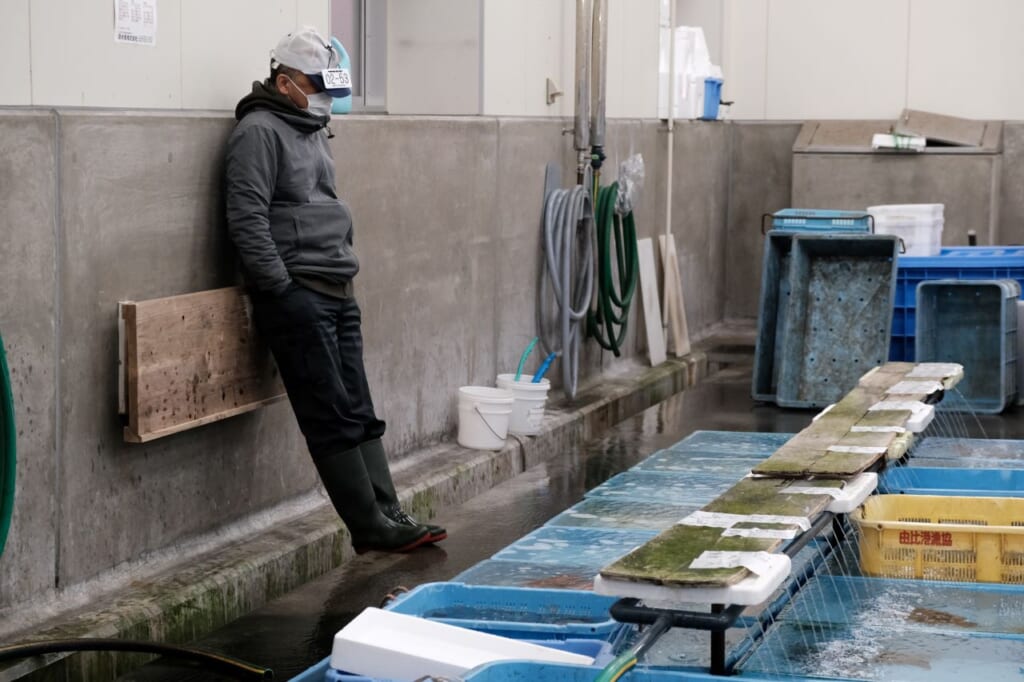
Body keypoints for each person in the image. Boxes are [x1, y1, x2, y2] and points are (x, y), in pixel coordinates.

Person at [224, 27, 445, 554]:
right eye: (314, 84)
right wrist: (280, 288)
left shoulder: (313, 127)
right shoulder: (259, 132)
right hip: (298, 291)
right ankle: (368, 526)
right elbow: (247, 218)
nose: (324, 96)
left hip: (337, 285)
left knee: (358, 405)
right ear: (283, 81)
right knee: (329, 410)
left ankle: (390, 510)